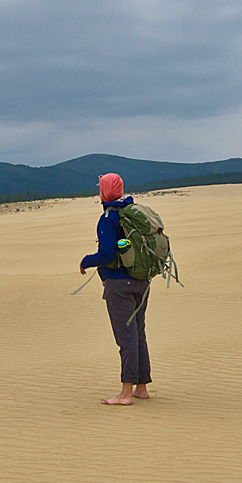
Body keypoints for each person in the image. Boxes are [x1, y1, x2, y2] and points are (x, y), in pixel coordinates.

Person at [79, 172, 152, 405]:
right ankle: (142, 387)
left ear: (105, 191)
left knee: (126, 337)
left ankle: (125, 393)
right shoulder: (131, 212)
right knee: (138, 333)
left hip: (120, 285)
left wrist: (86, 261)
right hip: (141, 281)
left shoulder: (108, 219)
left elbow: (107, 254)